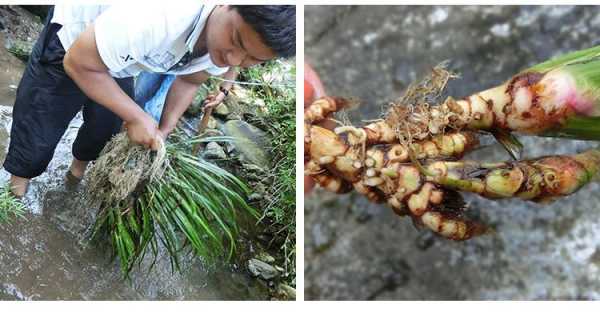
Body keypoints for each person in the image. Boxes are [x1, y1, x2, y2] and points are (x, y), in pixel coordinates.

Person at [4, 4, 296, 197]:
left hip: (120, 56)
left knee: (104, 127)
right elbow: (78, 62)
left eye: (253, 59)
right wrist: (138, 117)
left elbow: (189, 80)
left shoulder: (229, 43)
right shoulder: (160, 15)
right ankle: (16, 195)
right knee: (40, 128)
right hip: (74, 40)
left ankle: (75, 176)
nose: (234, 59)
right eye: (236, 40)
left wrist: (164, 128)